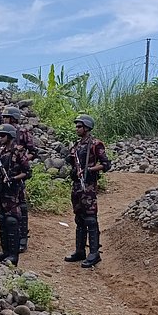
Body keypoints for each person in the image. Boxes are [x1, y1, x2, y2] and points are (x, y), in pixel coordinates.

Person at [65, 114, 111, 268]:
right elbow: (69, 160)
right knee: (79, 219)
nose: (77, 129)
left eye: (79, 126)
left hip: (88, 186)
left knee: (90, 218)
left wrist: (89, 169)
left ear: (87, 127)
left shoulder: (95, 144)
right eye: (77, 126)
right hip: (77, 186)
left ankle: (94, 253)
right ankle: (80, 251)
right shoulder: (77, 145)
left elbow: (106, 164)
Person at [0, 123, 31, 265]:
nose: (0, 138)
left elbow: (27, 172)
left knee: (11, 220)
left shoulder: (18, 152)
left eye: (3, 135)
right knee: (1, 218)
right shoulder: (0, 151)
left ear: (10, 136)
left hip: (12, 190)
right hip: (0, 190)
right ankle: (5, 251)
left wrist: (13, 178)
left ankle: (13, 255)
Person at [1, 105, 39, 252]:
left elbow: (33, 151)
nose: (4, 119)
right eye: (4, 117)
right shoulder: (3, 132)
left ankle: (22, 238)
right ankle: (9, 239)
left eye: (7, 117)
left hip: (19, 172)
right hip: (6, 171)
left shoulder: (22, 132)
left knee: (21, 205)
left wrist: (21, 161)